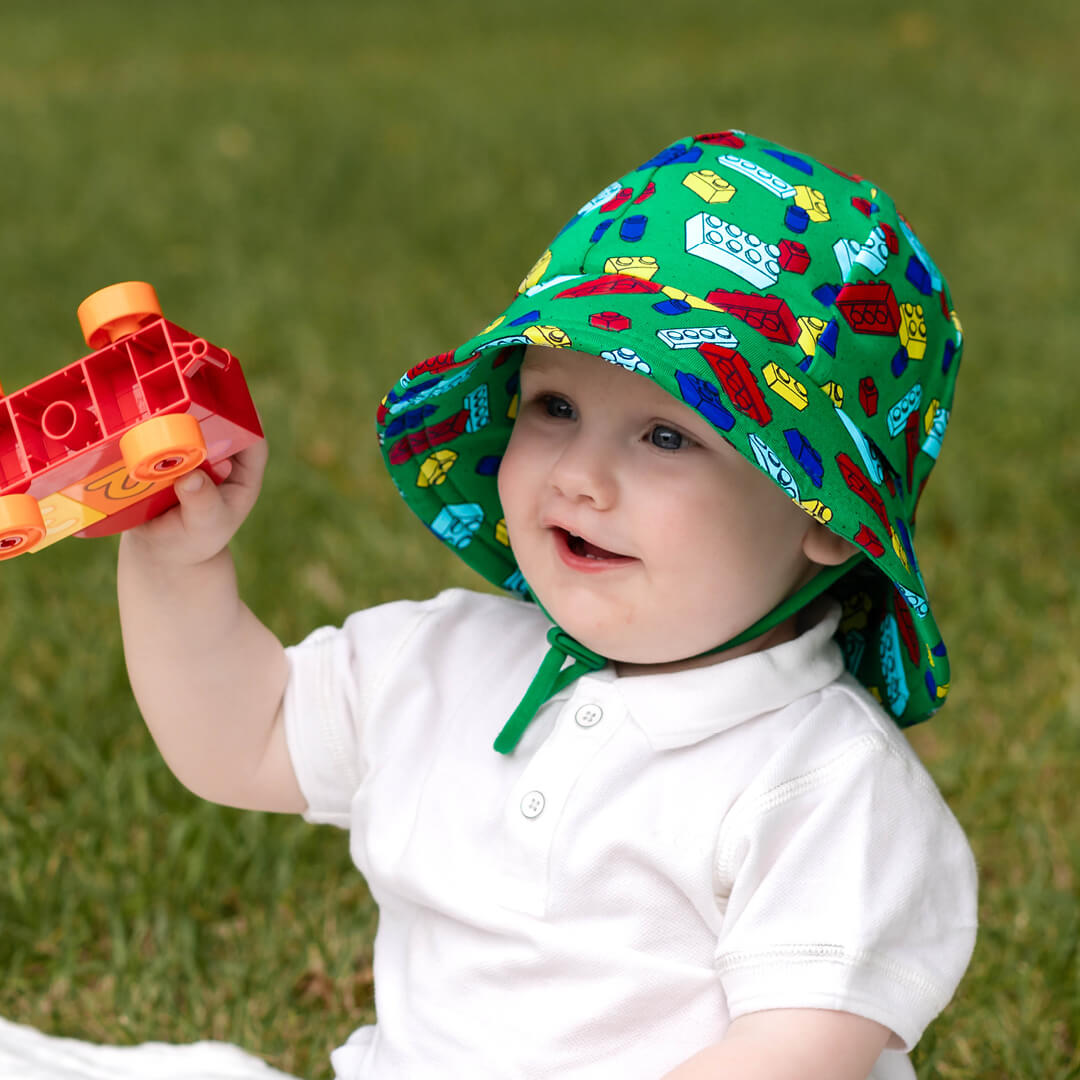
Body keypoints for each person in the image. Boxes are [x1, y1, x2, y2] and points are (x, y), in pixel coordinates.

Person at [118, 130, 977, 1079]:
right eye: (554, 407)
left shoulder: (823, 781)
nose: (580, 476)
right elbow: (243, 739)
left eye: (665, 435)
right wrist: (176, 566)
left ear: (826, 514)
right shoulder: (441, 659)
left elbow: (791, 1054)